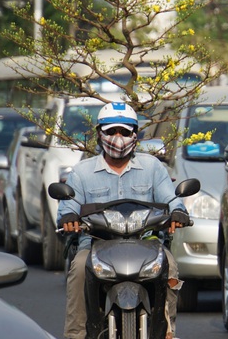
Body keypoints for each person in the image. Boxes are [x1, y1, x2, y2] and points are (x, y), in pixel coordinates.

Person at [57, 102, 191, 339]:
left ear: (135, 135)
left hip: (146, 242)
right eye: (111, 131)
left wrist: (178, 212)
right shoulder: (82, 172)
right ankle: (75, 334)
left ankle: (168, 331)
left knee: (169, 264)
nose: (118, 138)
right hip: (96, 245)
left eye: (125, 131)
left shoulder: (152, 167)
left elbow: (171, 199)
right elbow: (69, 205)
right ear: (100, 134)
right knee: (78, 268)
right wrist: (69, 216)